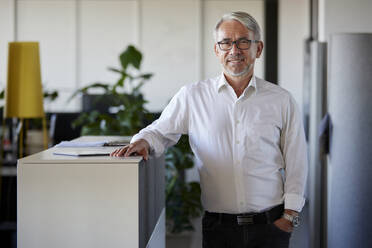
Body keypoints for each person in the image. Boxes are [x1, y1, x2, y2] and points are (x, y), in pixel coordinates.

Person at [111, 11, 308, 248]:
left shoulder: (281, 100)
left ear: (258, 48)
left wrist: (289, 217)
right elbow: (159, 131)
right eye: (226, 42)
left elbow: (297, 160)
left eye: (243, 41)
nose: (234, 50)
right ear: (216, 50)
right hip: (219, 230)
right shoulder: (192, 96)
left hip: (270, 227)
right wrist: (142, 140)